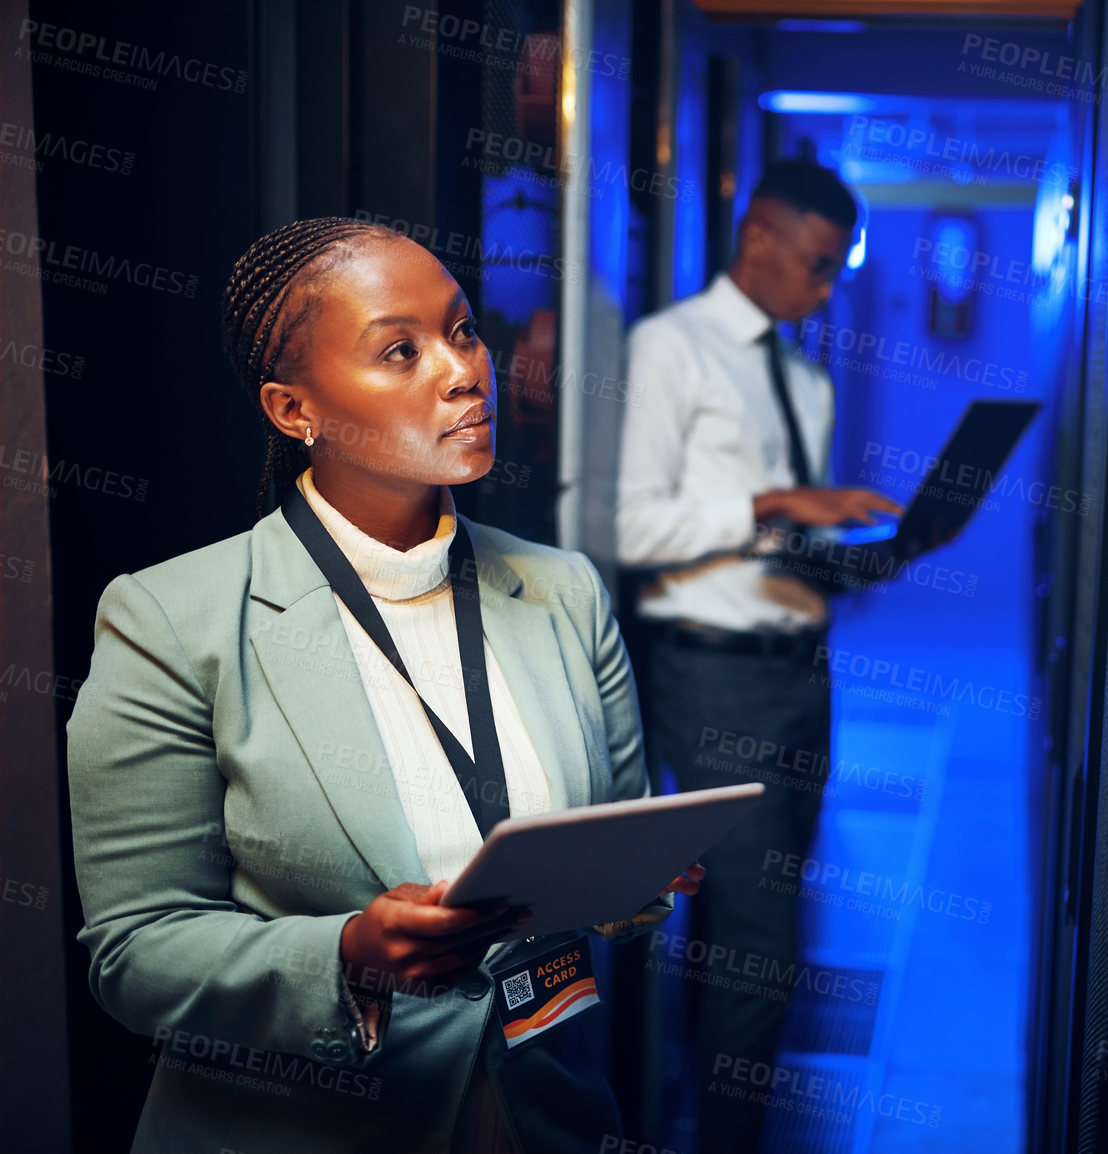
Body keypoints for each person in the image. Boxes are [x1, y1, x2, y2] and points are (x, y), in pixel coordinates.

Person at [65, 217, 701, 1154]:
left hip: (542, 1115)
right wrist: (348, 957)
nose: (461, 370)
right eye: (400, 351)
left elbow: (615, 865)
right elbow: (136, 953)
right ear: (294, 411)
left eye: (465, 329)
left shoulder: (563, 590)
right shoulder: (172, 619)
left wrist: (636, 876)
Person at [617, 160, 898, 1152]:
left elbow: (769, 540)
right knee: (761, 943)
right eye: (817, 267)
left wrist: (850, 556)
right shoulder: (670, 350)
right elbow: (632, 524)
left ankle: (707, 1111)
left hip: (797, 672)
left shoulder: (806, 378)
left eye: (837, 273)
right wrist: (777, 505)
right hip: (709, 674)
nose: (826, 291)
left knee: (760, 917)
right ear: (759, 237)